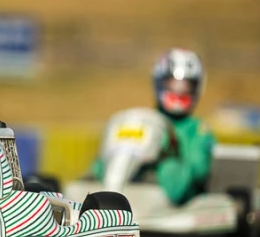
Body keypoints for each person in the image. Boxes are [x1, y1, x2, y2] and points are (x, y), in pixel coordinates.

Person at [91, 48, 216, 205]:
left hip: (174, 196)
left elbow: (197, 171)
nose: (178, 90)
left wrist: (166, 153)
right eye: (172, 84)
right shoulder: (146, 121)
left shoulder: (198, 130)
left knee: (170, 169)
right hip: (131, 189)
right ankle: (108, 194)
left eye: (185, 85)